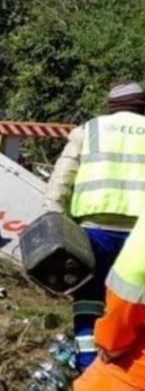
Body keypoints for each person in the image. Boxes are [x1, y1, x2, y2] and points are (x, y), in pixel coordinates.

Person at [44, 81, 145, 373]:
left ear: (111, 106)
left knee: (88, 297)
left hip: (95, 230)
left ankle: (88, 366)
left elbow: (62, 176)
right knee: (134, 303)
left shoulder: (89, 130)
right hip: (141, 235)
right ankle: (126, 370)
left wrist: (51, 216)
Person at [74, 211, 145, 390]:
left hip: (130, 375)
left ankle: (84, 361)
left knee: (88, 296)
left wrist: (111, 342)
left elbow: (132, 277)